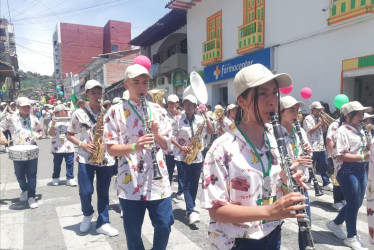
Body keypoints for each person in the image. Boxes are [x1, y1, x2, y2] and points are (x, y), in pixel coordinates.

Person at [200, 64, 308, 250]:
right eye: (263, 94)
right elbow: (216, 210)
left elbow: (274, 189)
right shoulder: (221, 148)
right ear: (242, 102)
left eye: (275, 93)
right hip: (237, 241)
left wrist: (285, 182)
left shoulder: (276, 140)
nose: (272, 101)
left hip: (272, 232)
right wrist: (268, 211)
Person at [103, 64, 174, 250]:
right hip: (130, 182)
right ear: (126, 85)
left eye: (145, 82)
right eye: (136, 83)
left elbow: (168, 147)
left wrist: (157, 133)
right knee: (133, 233)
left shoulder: (158, 110)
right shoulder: (114, 112)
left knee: (165, 225)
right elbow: (110, 149)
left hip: (158, 182)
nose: (141, 87)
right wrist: (135, 146)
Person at [66, 80, 118, 237]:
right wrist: (83, 144)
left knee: (103, 192)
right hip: (85, 157)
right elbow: (69, 135)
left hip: (105, 157)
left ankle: (103, 222)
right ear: (86, 95)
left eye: (99, 93)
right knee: (86, 191)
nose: (97, 96)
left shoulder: (109, 113)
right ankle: (87, 214)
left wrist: (107, 132)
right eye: (93, 93)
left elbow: (116, 134)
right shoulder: (78, 113)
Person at [326, 101, 370, 250]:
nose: (362, 117)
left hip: (360, 169)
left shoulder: (360, 129)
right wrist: (364, 157)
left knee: (356, 203)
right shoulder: (342, 131)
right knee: (352, 204)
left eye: (362, 114)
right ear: (348, 116)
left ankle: (335, 223)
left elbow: (365, 148)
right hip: (347, 170)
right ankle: (351, 237)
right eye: (358, 114)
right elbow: (340, 156)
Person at [172, 94, 214, 225]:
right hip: (181, 155)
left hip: (197, 156)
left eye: (190, 104)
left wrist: (206, 117)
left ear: (195, 106)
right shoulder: (178, 119)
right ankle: (190, 210)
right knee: (186, 183)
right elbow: (171, 137)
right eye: (185, 103)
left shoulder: (201, 119)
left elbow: (211, 131)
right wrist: (181, 146)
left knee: (195, 183)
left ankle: (191, 206)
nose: (188, 106)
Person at [279, 96, 313, 250]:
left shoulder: (298, 130)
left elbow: (305, 155)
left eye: (297, 110)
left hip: (300, 182)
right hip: (282, 185)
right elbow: (275, 167)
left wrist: (308, 152)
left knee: (305, 223)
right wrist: (297, 162)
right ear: (281, 113)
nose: (296, 114)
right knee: (276, 223)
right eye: (291, 110)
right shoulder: (274, 134)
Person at [0, 97, 43, 209]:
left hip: (32, 149)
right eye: (23, 106)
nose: (26, 108)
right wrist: (2, 136)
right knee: (19, 175)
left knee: (32, 175)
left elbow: (40, 129)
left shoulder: (34, 118)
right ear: (18, 107)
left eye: (28, 106)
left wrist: (40, 135)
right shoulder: (10, 118)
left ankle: (31, 196)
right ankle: (24, 190)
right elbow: (0, 127)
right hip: (17, 151)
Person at [303, 101, 333, 191]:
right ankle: (308, 181)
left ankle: (326, 182)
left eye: (321, 109)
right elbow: (310, 131)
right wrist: (320, 123)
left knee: (323, 165)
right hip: (311, 145)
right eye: (318, 109)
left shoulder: (320, 118)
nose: (320, 111)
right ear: (313, 109)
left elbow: (324, 131)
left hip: (320, 145)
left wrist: (323, 124)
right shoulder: (308, 118)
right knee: (310, 165)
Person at [48, 104, 76, 186]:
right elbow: (51, 134)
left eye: (66, 111)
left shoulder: (70, 121)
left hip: (68, 145)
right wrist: (53, 124)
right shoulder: (52, 121)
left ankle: (70, 178)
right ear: (59, 112)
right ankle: (56, 177)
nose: (66, 113)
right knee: (57, 164)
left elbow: (75, 132)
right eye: (64, 111)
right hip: (57, 147)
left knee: (70, 163)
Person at [326, 108, 346, 211]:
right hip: (335, 157)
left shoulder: (348, 125)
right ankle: (337, 201)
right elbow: (329, 140)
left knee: (343, 178)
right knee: (336, 179)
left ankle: (342, 198)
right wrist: (333, 155)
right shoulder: (335, 125)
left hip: (344, 157)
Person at [165, 94, 184, 200]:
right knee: (168, 171)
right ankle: (167, 190)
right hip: (168, 148)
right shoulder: (163, 114)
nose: (171, 105)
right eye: (169, 103)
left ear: (177, 104)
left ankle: (180, 192)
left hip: (179, 148)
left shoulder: (181, 116)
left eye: (173, 103)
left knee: (181, 171)